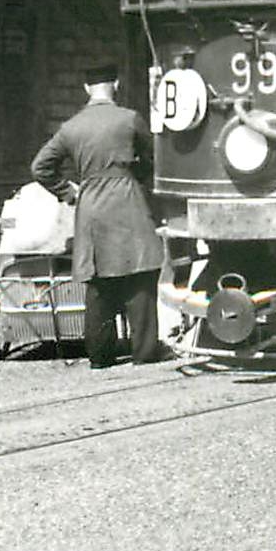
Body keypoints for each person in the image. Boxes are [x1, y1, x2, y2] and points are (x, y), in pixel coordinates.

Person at [32, 63, 171, 369]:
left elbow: (40, 167)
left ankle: (100, 355)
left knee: (98, 279)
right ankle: (145, 350)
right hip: (127, 197)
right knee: (139, 271)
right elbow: (157, 157)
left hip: (91, 203)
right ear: (116, 84)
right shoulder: (129, 119)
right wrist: (139, 175)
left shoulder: (71, 127)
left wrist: (69, 192)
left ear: (86, 89)